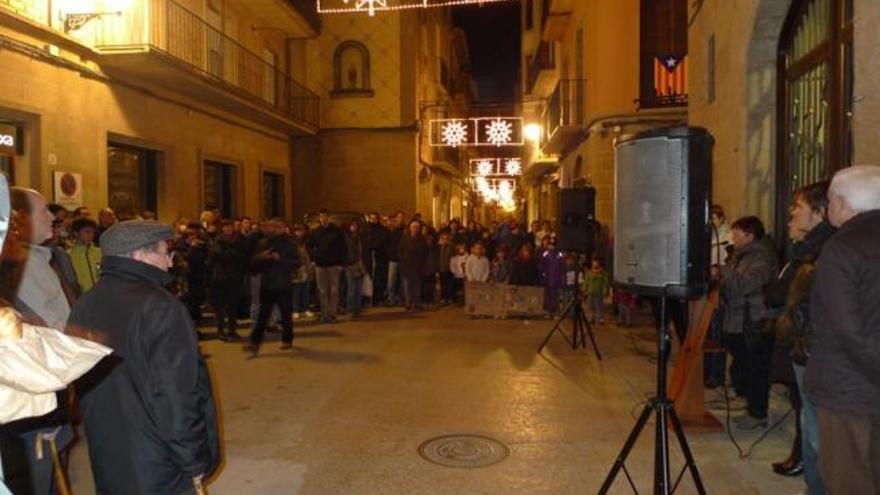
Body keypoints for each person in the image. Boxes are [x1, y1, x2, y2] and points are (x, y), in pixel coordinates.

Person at [67, 220, 220, 495]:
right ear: (141, 254)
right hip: (159, 461)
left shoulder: (85, 304)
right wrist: (193, 460)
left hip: (109, 453)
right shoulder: (160, 306)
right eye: (165, 252)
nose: (170, 263)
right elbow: (175, 394)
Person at [805, 165, 880, 495]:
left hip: (849, 387)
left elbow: (846, 328)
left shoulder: (842, 247)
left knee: (848, 479)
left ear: (842, 203)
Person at [765, 181, 834, 489]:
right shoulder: (804, 251)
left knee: (819, 434)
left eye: (798, 207)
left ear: (820, 212)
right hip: (802, 350)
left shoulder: (828, 252)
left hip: (816, 354)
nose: (791, 213)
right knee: (809, 426)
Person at [717, 215, 779, 430]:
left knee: (755, 367)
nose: (732, 237)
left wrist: (723, 271)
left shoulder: (762, 256)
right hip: (737, 318)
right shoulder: (740, 254)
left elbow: (747, 284)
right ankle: (746, 399)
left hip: (755, 319)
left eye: (736, 233)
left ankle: (757, 412)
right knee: (740, 361)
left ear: (750, 235)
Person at [247, 218, 299, 353]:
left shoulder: (290, 244)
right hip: (268, 283)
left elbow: (295, 263)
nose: (273, 229)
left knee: (286, 314)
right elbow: (253, 262)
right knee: (263, 314)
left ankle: (287, 339)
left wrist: (280, 259)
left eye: (276, 227)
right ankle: (255, 341)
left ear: (282, 228)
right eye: (271, 227)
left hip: (283, 284)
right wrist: (262, 257)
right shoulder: (264, 243)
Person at [208, 219, 248, 342]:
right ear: (222, 229)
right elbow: (213, 257)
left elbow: (241, 256)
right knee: (220, 307)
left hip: (234, 277)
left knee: (233, 306)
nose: (229, 229)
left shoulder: (240, 240)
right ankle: (221, 331)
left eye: (230, 227)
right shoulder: (217, 241)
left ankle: (232, 330)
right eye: (226, 227)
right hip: (220, 277)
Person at [308, 211, 347, 323]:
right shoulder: (315, 232)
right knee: (322, 290)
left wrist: (341, 264)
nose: (323, 219)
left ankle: (332, 314)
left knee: (334, 290)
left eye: (325, 216)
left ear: (329, 218)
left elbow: (343, 248)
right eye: (321, 217)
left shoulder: (336, 231)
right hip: (320, 265)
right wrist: (314, 257)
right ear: (319, 218)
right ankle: (324, 314)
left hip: (334, 265)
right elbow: (309, 245)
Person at [398, 219, 428, 310]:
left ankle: (417, 302)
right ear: (410, 228)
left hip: (418, 266)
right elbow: (400, 251)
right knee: (407, 286)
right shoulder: (405, 238)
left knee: (417, 286)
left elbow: (425, 252)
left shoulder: (422, 239)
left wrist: (423, 264)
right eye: (413, 227)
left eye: (417, 227)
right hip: (407, 266)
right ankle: (408, 302)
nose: (415, 229)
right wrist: (402, 261)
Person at [67, 217, 102, 293]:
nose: (91, 235)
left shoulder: (100, 252)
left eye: (93, 232)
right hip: (81, 298)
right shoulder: (68, 256)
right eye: (87, 232)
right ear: (76, 233)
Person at [344, 220, 368, 318]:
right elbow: (345, 251)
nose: (354, 227)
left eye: (356, 225)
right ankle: (350, 309)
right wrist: (348, 262)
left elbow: (364, 251)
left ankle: (357, 309)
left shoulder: (360, 238)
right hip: (350, 265)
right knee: (351, 289)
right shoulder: (346, 238)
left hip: (360, 265)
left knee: (359, 289)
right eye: (352, 225)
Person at [365, 212, 389, 306]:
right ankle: (368, 299)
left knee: (379, 279)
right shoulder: (366, 229)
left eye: (375, 218)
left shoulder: (382, 230)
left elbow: (383, 241)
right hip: (368, 257)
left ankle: (377, 298)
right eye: (372, 218)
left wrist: (375, 246)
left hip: (380, 257)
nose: (373, 220)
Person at [291, 223, 314, 320]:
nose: (299, 233)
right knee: (296, 291)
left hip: (306, 268)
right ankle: (295, 310)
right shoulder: (293, 242)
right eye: (297, 231)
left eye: (301, 231)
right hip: (297, 269)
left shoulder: (306, 242)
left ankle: (306, 308)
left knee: (306, 290)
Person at [538, 236, 565, 314]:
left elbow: (562, 266)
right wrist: (543, 274)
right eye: (550, 245)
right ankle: (548, 309)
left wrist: (561, 276)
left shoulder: (559, 254)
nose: (551, 246)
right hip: (548, 277)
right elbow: (541, 264)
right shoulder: (545, 254)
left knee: (555, 294)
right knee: (548, 294)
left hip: (556, 278)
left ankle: (555, 309)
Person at [385, 211, 405, 306]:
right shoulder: (391, 231)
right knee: (391, 281)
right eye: (399, 217)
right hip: (393, 259)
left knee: (402, 281)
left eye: (402, 217)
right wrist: (390, 254)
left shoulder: (405, 231)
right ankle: (391, 299)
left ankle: (401, 299)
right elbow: (388, 244)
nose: (400, 219)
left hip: (402, 259)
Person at [583, 259, 611, 323]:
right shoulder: (589, 272)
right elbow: (586, 282)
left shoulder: (603, 273)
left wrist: (607, 291)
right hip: (591, 292)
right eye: (593, 263)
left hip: (598, 293)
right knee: (590, 306)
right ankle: (592, 317)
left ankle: (600, 318)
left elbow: (606, 283)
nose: (594, 264)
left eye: (595, 263)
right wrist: (584, 290)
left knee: (599, 306)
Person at [437, 231, 455, 304]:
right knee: (443, 284)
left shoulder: (452, 246)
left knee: (449, 284)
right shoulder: (439, 247)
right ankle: (444, 298)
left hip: (449, 268)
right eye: (443, 238)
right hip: (441, 268)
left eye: (446, 238)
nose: (445, 239)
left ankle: (450, 297)